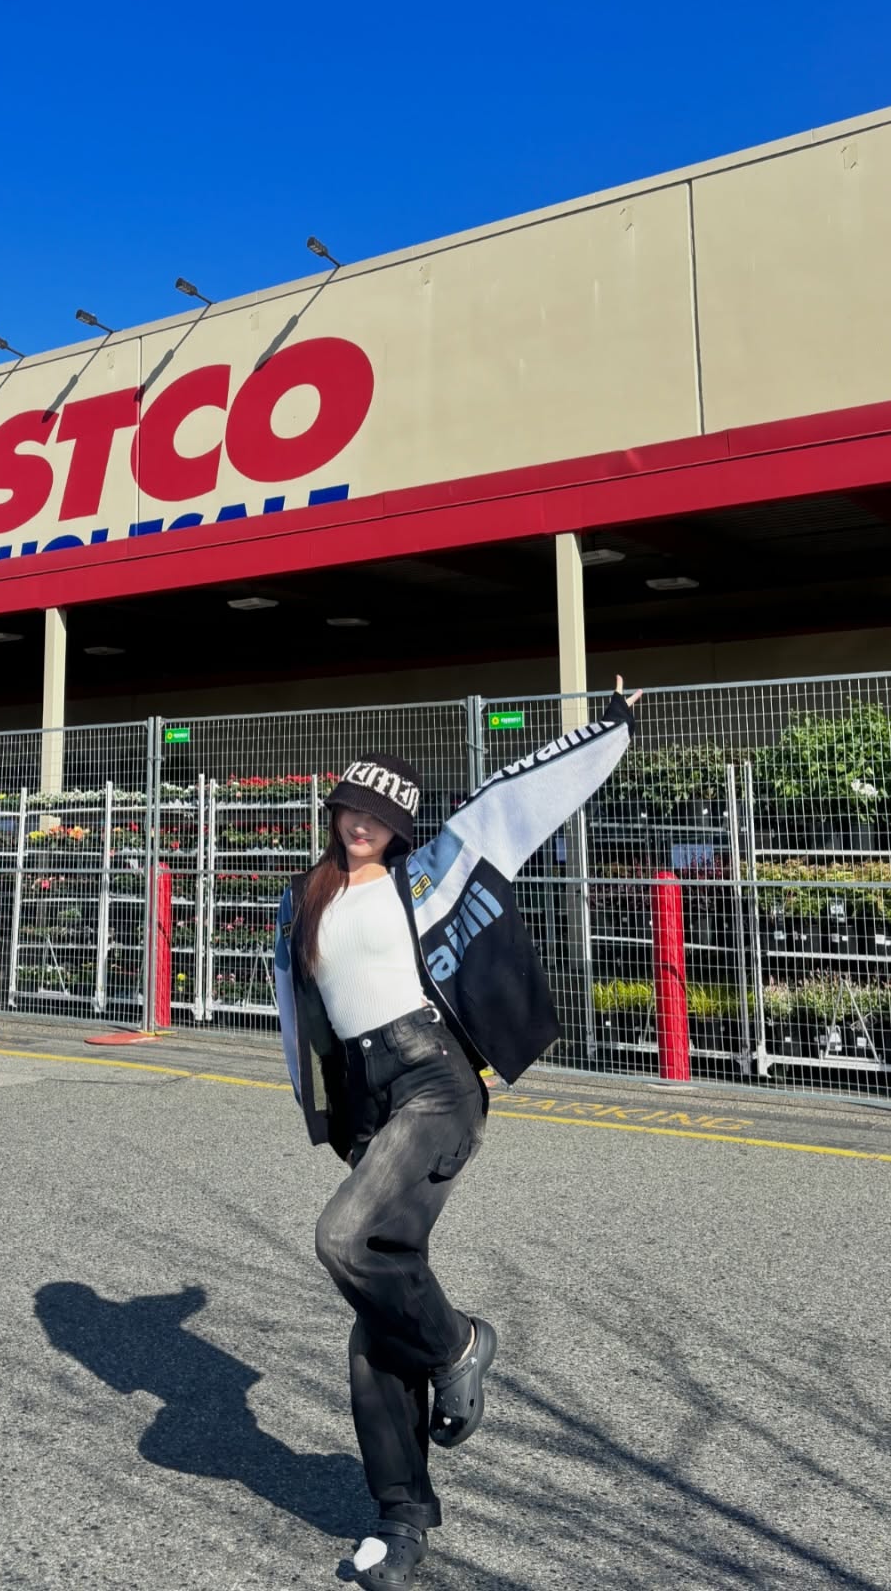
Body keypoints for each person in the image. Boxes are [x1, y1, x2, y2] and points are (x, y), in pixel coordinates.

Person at [273, 681, 643, 1590]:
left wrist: (610, 726)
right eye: (350, 806)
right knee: (377, 1311)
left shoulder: (429, 874)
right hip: (370, 1098)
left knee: (345, 1238)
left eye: (380, 814)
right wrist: (329, 1115)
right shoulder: (303, 899)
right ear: (334, 811)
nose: (361, 822)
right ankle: (400, 1521)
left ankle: (460, 1346)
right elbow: (308, 1022)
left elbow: (522, 798)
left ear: (402, 827)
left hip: (435, 1078)